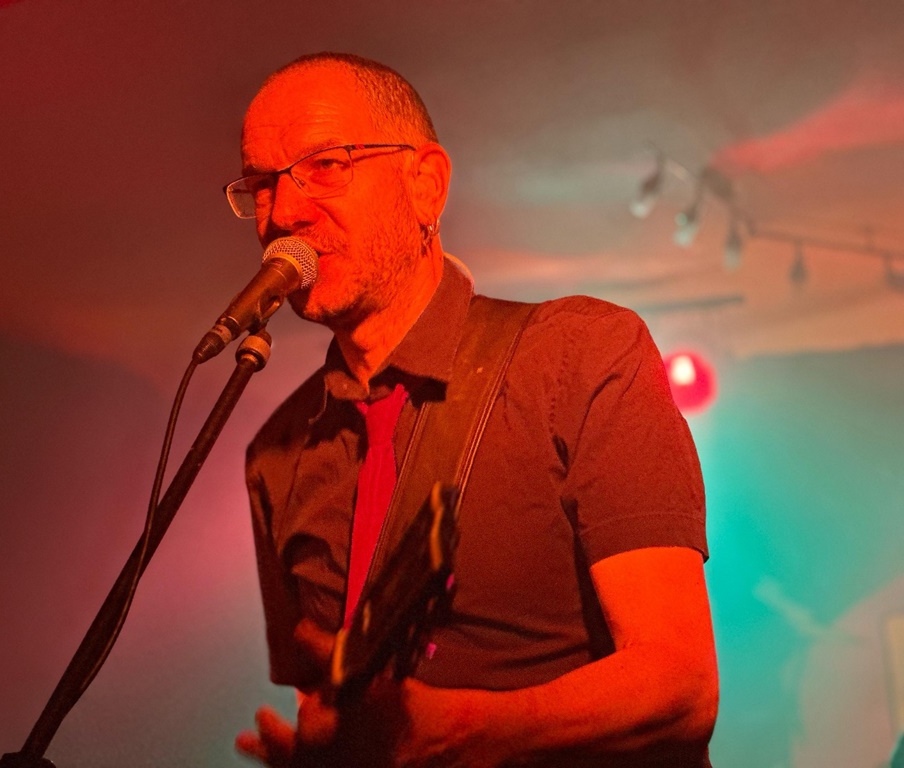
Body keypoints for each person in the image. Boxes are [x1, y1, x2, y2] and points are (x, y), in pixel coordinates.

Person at [231, 52, 719, 767]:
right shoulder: (276, 453)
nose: (284, 213)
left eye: (327, 165)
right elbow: (326, 704)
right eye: (261, 185)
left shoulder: (579, 353)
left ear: (425, 184)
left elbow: (680, 685)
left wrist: (467, 728)